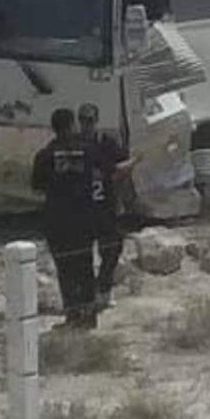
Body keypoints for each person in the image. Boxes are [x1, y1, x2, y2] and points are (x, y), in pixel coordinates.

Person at [31, 108, 97, 330]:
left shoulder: (44, 155)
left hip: (58, 219)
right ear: (72, 125)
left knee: (65, 268)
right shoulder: (88, 151)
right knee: (85, 266)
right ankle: (89, 316)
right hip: (84, 218)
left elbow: (37, 187)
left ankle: (73, 315)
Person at [77, 103, 138, 311]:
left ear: (96, 121)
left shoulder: (106, 143)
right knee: (82, 254)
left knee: (111, 249)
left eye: (90, 120)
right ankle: (86, 294)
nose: (87, 125)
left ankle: (103, 288)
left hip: (106, 204)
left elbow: (124, 163)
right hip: (83, 208)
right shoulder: (75, 146)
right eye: (83, 120)